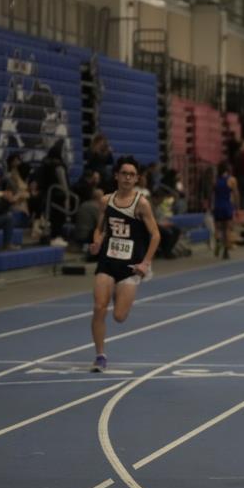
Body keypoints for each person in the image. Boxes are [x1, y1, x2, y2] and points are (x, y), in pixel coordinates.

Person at [88, 157, 160, 372]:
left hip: (130, 266)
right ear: (116, 176)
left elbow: (155, 235)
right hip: (108, 262)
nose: (127, 178)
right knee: (99, 307)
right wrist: (97, 242)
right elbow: (100, 228)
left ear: (137, 178)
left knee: (119, 316)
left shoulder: (141, 204)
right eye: (124, 173)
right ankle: (100, 356)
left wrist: (145, 263)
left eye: (132, 174)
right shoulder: (106, 201)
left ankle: (120, 291)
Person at [213, 161, 239, 259]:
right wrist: (237, 207)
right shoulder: (232, 180)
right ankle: (226, 251)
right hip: (227, 206)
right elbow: (236, 195)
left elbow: (212, 194)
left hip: (217, 206)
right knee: (227, 229)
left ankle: (218, 241)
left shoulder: (215, 180)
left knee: (218, 228)